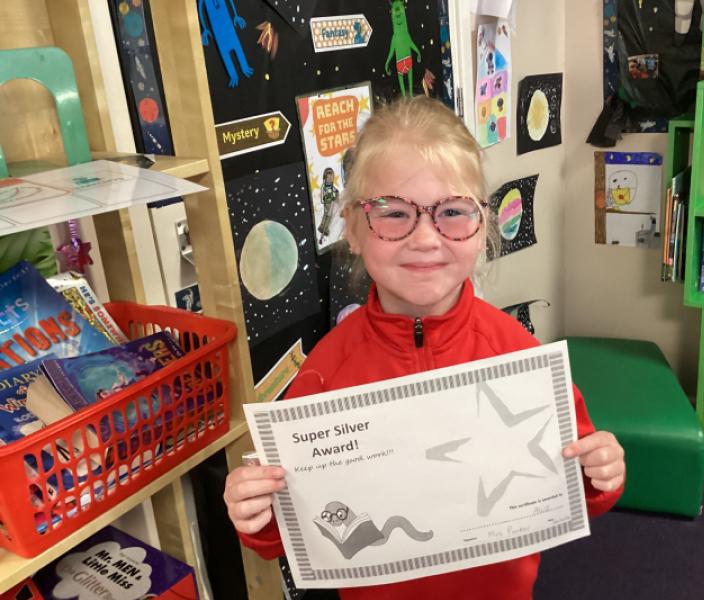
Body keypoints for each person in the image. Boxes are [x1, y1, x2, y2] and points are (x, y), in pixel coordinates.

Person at [223, 96, 626, 600]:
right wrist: (257, 514)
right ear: (353, 228)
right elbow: (290, 529)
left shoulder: (517, 356)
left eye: (452, 212)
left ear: (482, 226)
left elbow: (578, 483)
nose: (425, 238)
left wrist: (600, 473)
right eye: (394, 213)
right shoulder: (324, 375)